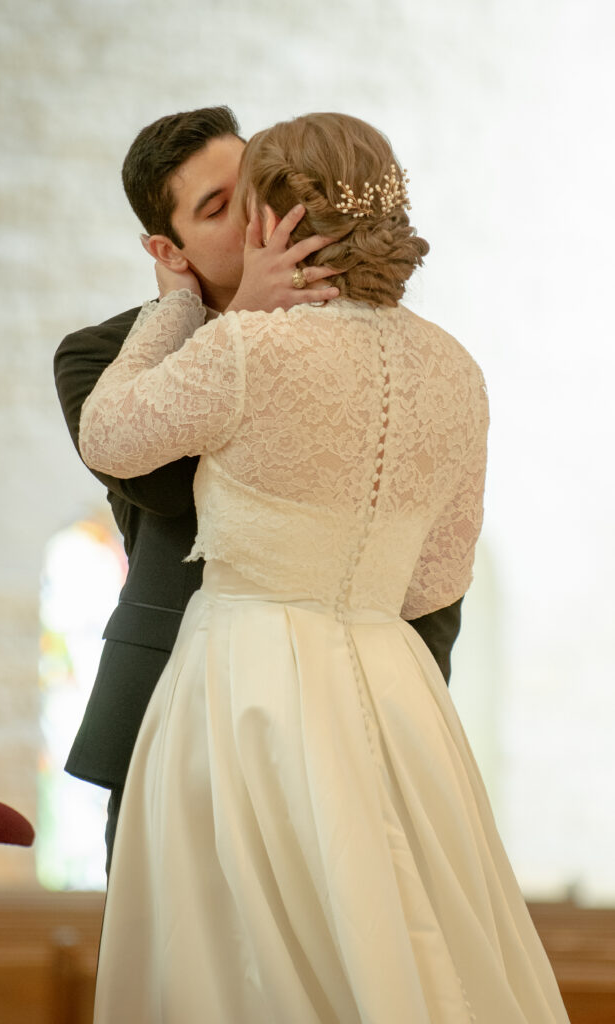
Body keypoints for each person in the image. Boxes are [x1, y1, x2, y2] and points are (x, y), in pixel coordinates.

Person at [79, 112, 570, 1023]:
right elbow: (434, 580)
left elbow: (109, 435)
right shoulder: (455, 368)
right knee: (406, 943)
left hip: (245, 678)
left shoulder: (240, 349)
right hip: (392, 689)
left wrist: (185, 306)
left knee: (233, 953)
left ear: (275, 217)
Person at [53, 106, 465, 875]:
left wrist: (407, 711)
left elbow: (425, 567)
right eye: (216, 208)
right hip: (169, 690)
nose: (252, 217)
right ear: (165, 250)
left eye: (254, 187)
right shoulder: (100, 355)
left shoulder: (386, 349)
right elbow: (169, 492)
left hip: (350, 715)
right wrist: (239, 325)